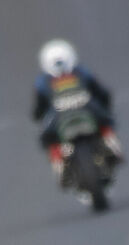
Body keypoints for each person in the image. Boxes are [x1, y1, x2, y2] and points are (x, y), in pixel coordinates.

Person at [31, 39, 121, 172]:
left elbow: (39, 109)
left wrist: (38, 115)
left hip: (62, 116)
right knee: (105, 118)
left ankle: (59, 164)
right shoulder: (82, 72)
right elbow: (102, 93)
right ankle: (110, 143)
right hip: (87, 110)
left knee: (46, 137)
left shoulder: (43, 82)